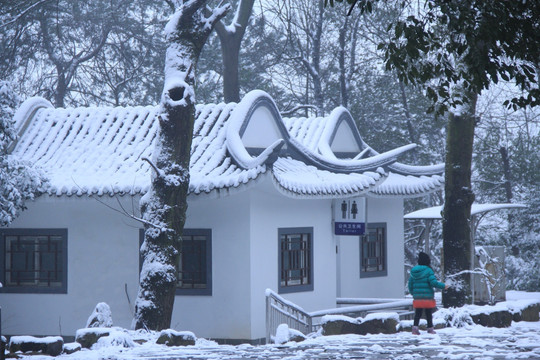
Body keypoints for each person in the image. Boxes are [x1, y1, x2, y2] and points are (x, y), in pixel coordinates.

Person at [407, 251, 449, 335]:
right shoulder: (428, 271)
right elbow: (433, 283)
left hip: (417, 297)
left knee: (417, 313)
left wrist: (414, 293)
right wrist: (443, 286)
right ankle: (430, 329)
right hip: (427, 296)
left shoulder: (413, 271)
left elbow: (410, 284)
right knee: (428, 313)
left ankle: (415, 329)